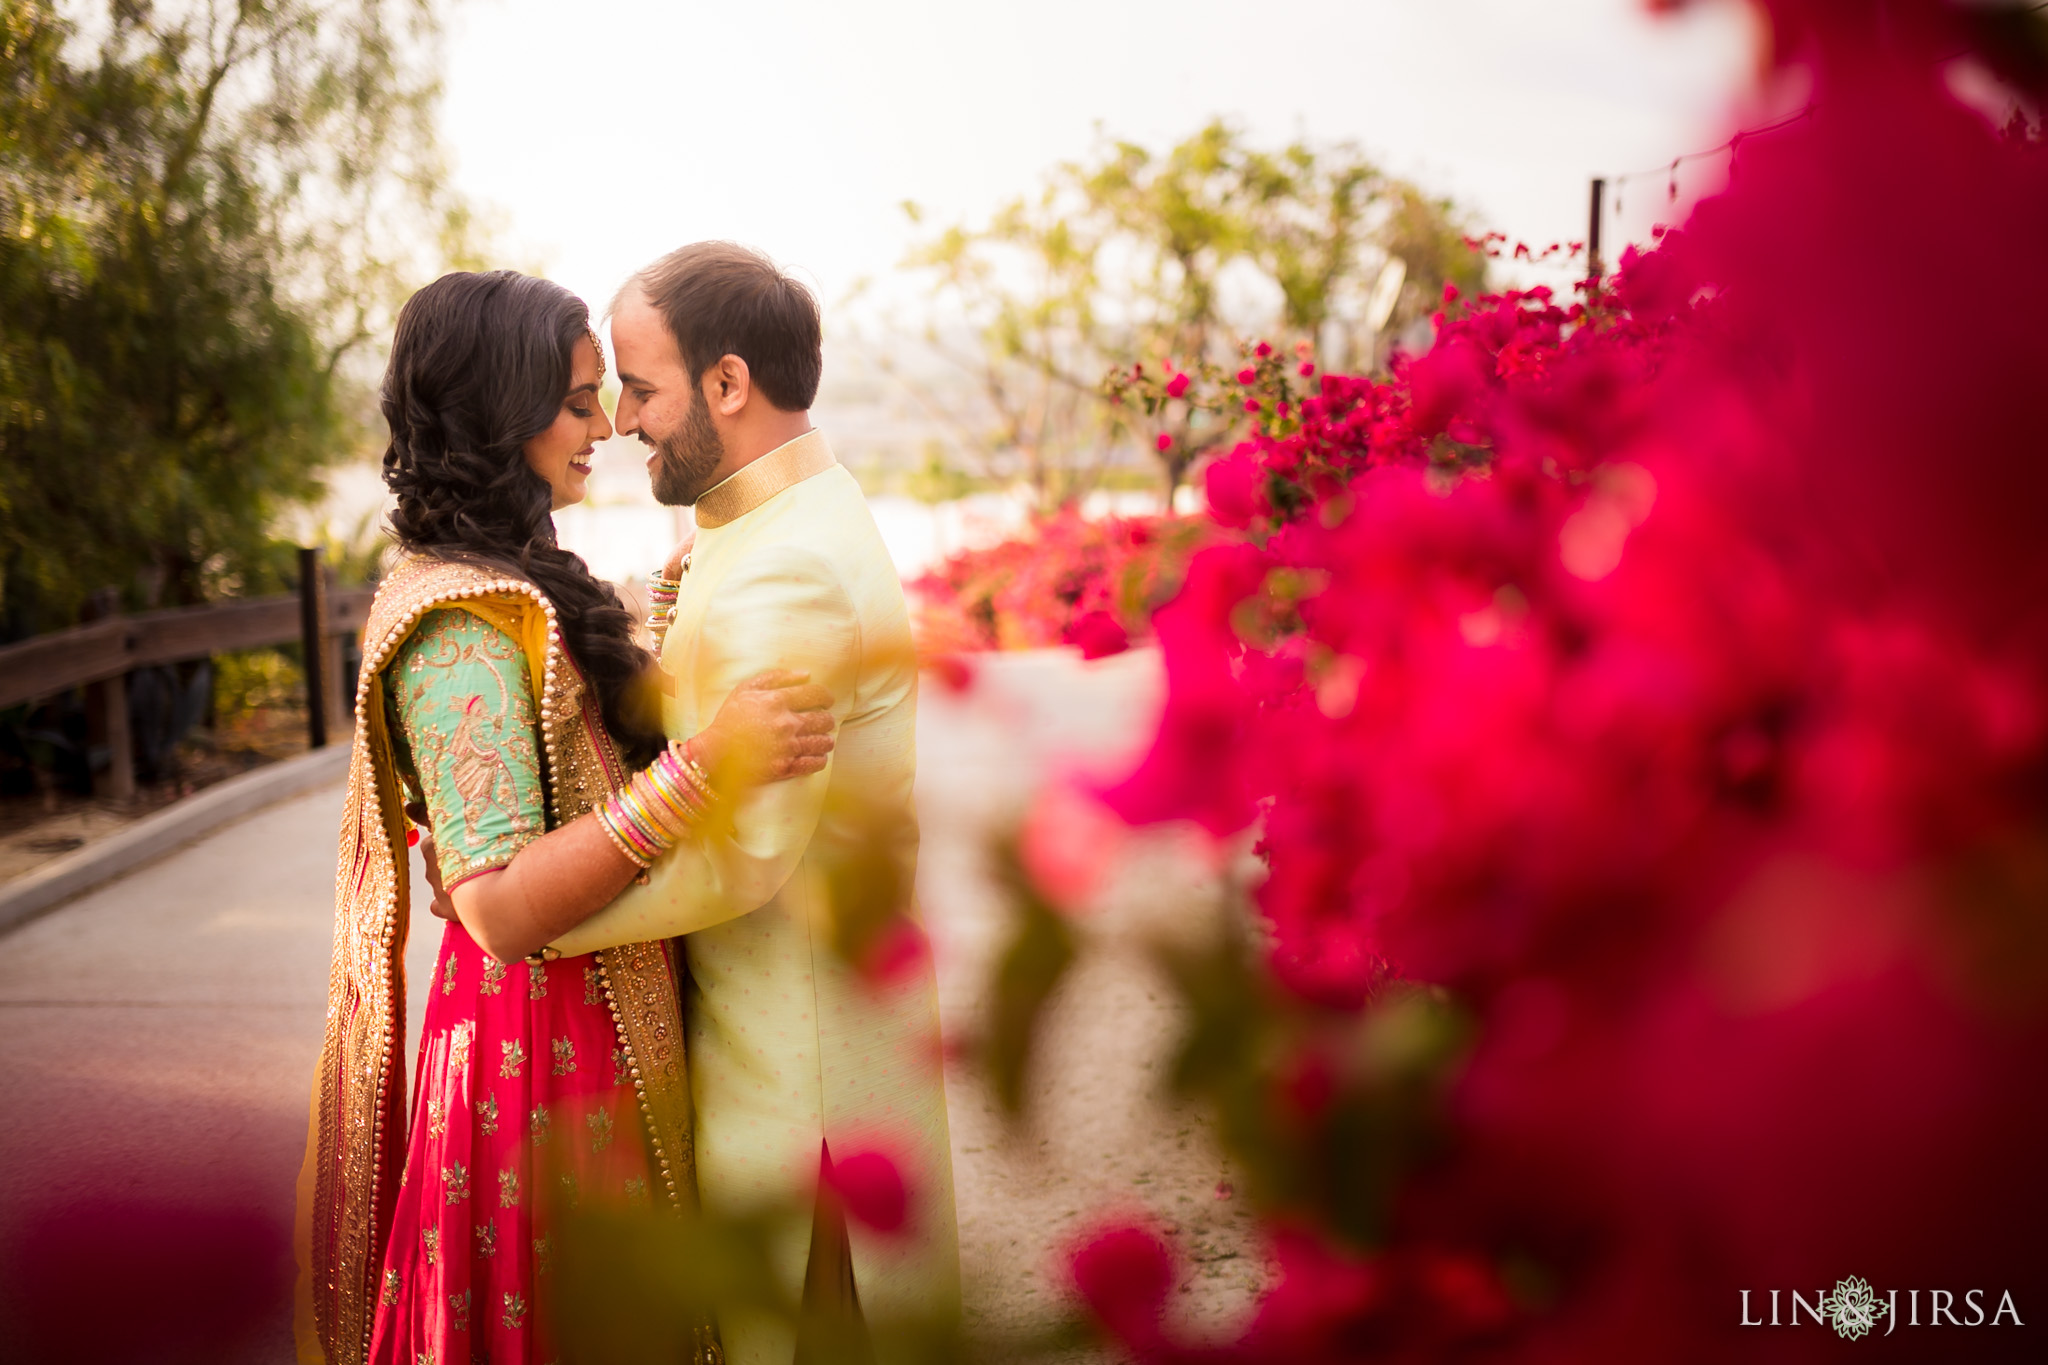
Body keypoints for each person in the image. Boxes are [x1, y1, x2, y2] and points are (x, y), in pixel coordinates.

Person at [296, 270, 836, 1365]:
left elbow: (565, 755)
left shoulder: (514, 581)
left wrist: (675, 618)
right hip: (530, 1068)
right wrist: (700, 771)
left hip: (590, 1024)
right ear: (501, 411)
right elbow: (494, 909)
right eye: (580, 401)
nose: (606, 426)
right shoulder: (459, 625)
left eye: (604, 395)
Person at [548, 243, 960, 1363]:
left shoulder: (787, 567)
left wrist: (538, 916)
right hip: (814, 1029)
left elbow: (742, 859)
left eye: (640, 388)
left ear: (727, 385)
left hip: (802, 1067)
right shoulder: (783, 521)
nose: (623, 420)